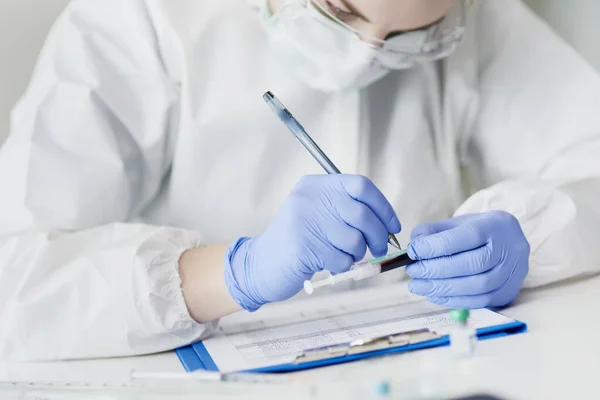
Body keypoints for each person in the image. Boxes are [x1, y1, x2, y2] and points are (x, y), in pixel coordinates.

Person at [0, 0, 599, 361]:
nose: (365, 54)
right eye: (339, 8)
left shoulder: (480, 19)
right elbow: (15, 279)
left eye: (409, 39)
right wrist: (229, 272)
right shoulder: (141, 19)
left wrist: (532, 232)